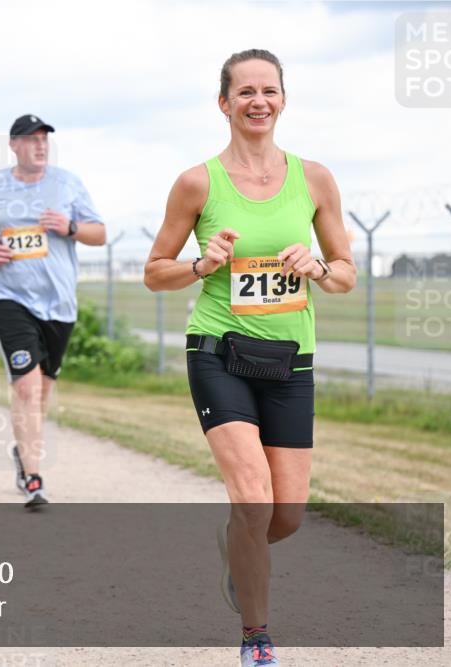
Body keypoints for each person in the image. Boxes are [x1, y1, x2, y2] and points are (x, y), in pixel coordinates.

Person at [143, 49, 355, 667]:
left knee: (283, 515)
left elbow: (345, 275)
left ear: (283, 100)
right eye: (245, 92)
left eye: (269, 90)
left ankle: (239, 546)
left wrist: (317, 267)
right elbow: (155, 273)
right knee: (253, 497)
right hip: (219, 351)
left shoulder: (314, 179)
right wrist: (201, 265)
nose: (257, 101)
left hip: (291, 359)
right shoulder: (197, 183)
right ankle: (256, 639)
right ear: (224, 104)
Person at [0, 114, 106, 508]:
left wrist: (69, 227)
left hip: (59, 304)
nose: (41, 145)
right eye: (32, 139)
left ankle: (23, 451)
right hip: (9, 297)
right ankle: (34, 478)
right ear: (14, 145)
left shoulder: (67, 183)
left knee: (43, 390)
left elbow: (98, 233)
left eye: (45, 139)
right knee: (26, 387)